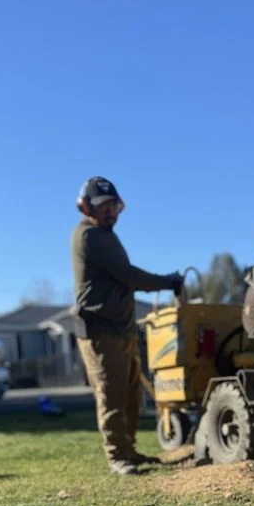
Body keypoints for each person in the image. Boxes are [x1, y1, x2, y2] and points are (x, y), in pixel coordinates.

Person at [72, 176, 183, 475]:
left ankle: (129, 450)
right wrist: (168, 282)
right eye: (103, 206)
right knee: (111, 393)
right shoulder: (89, 236)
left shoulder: (106, 235)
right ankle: (117, 456)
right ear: (86, 207)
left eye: (113, 206)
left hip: (122, 329)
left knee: (131, 393)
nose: (110, 212)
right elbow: (129, 276)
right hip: (100, 331)